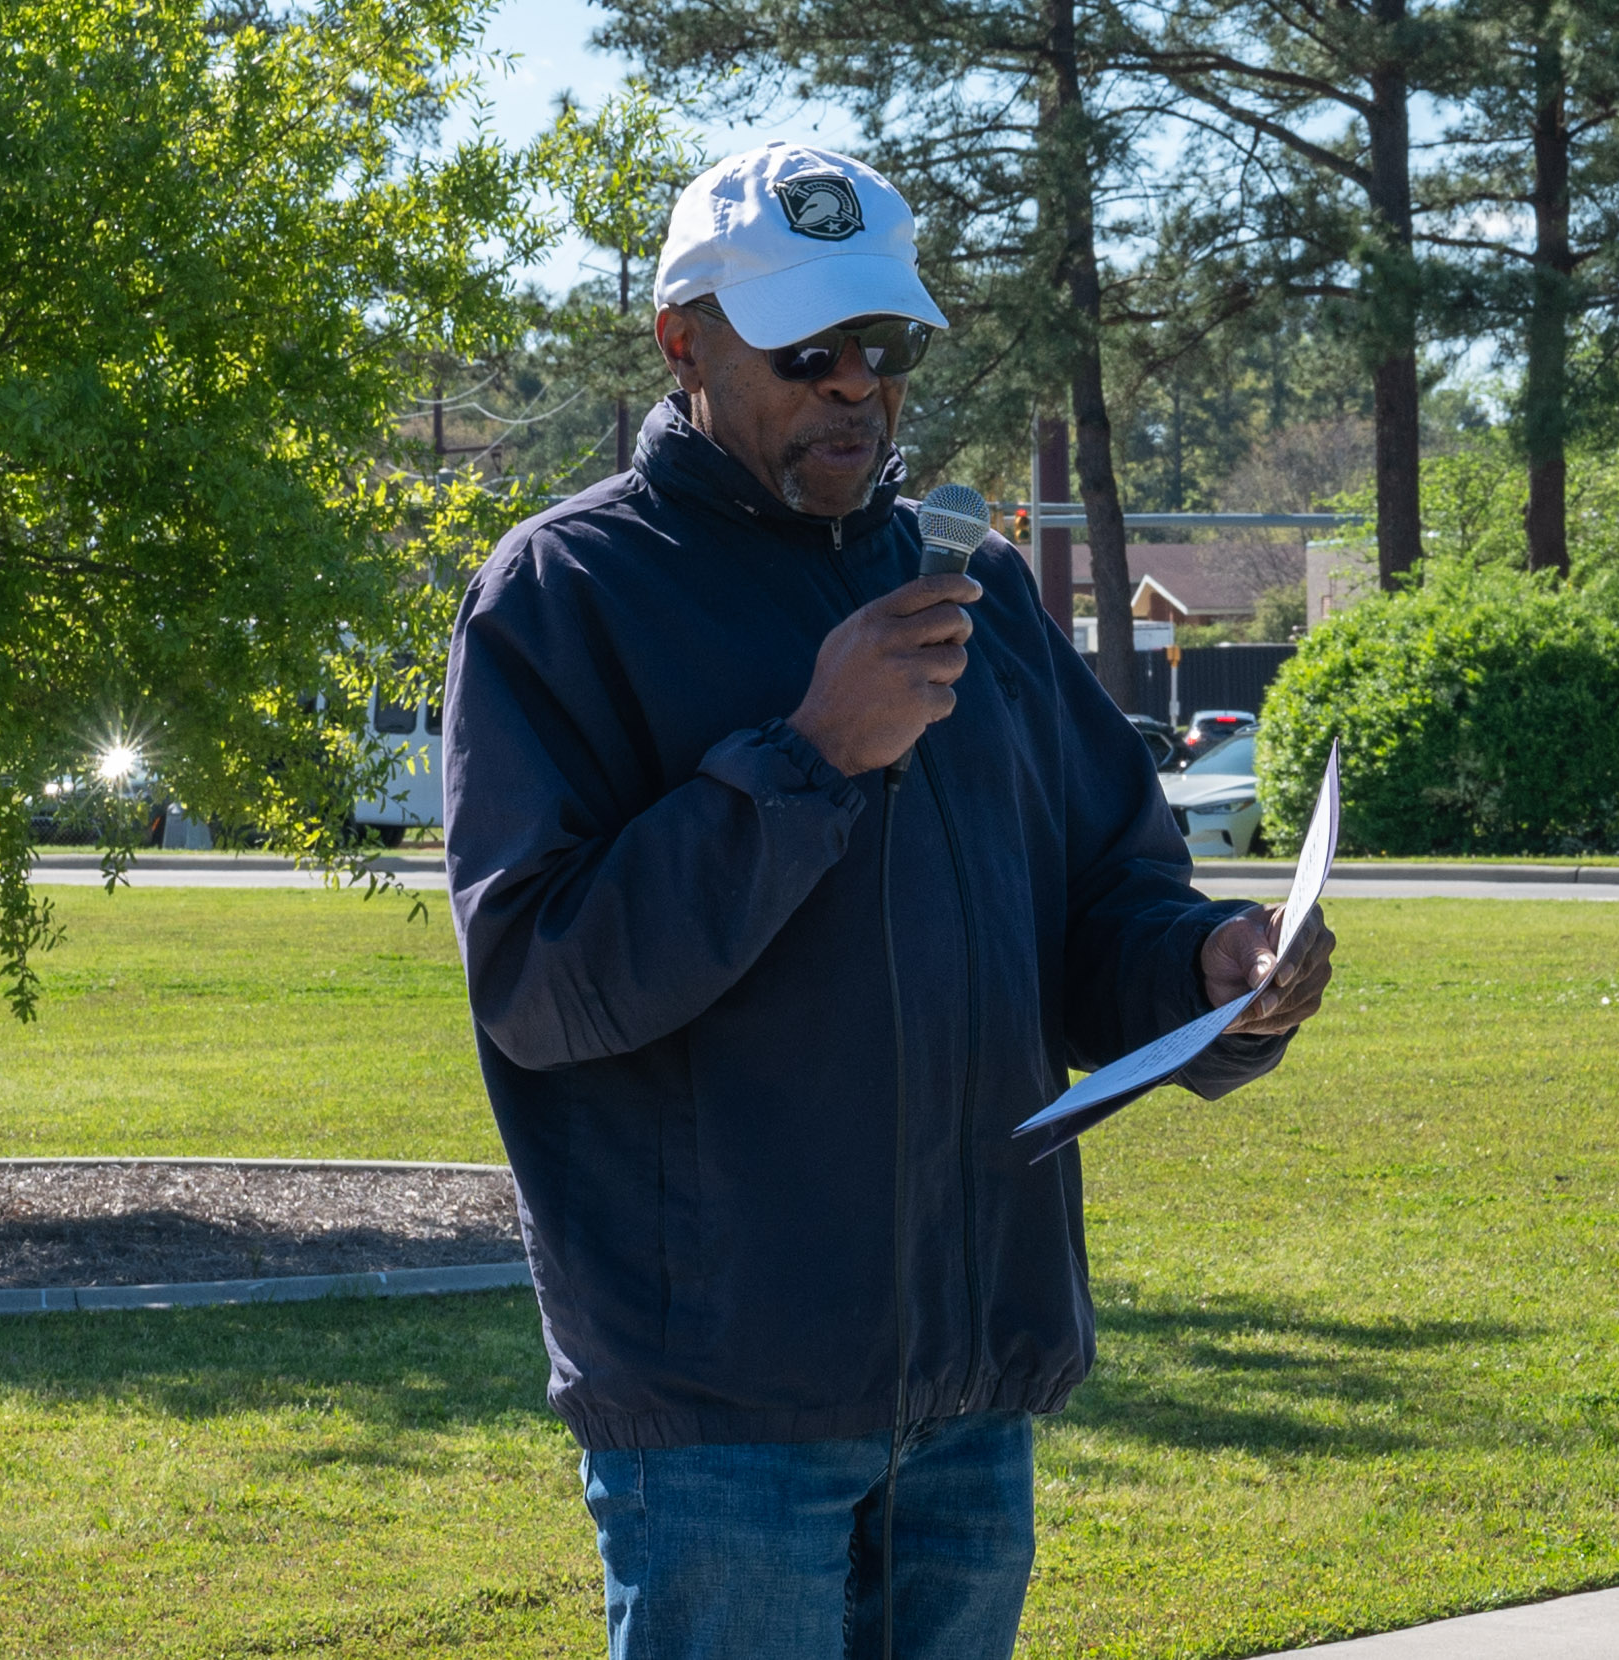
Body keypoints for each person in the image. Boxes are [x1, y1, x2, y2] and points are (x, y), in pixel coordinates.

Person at [441, 144, 1334, 1660]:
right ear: (685, 342)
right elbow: (542, 984)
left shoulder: (974, 599)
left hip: (974, 1393)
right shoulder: (566, 596)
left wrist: (1210, 971)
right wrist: (805, 761)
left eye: (887, 346)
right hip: (727, 1422)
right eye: (811, 352)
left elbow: (1102, 907)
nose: (858, 385)